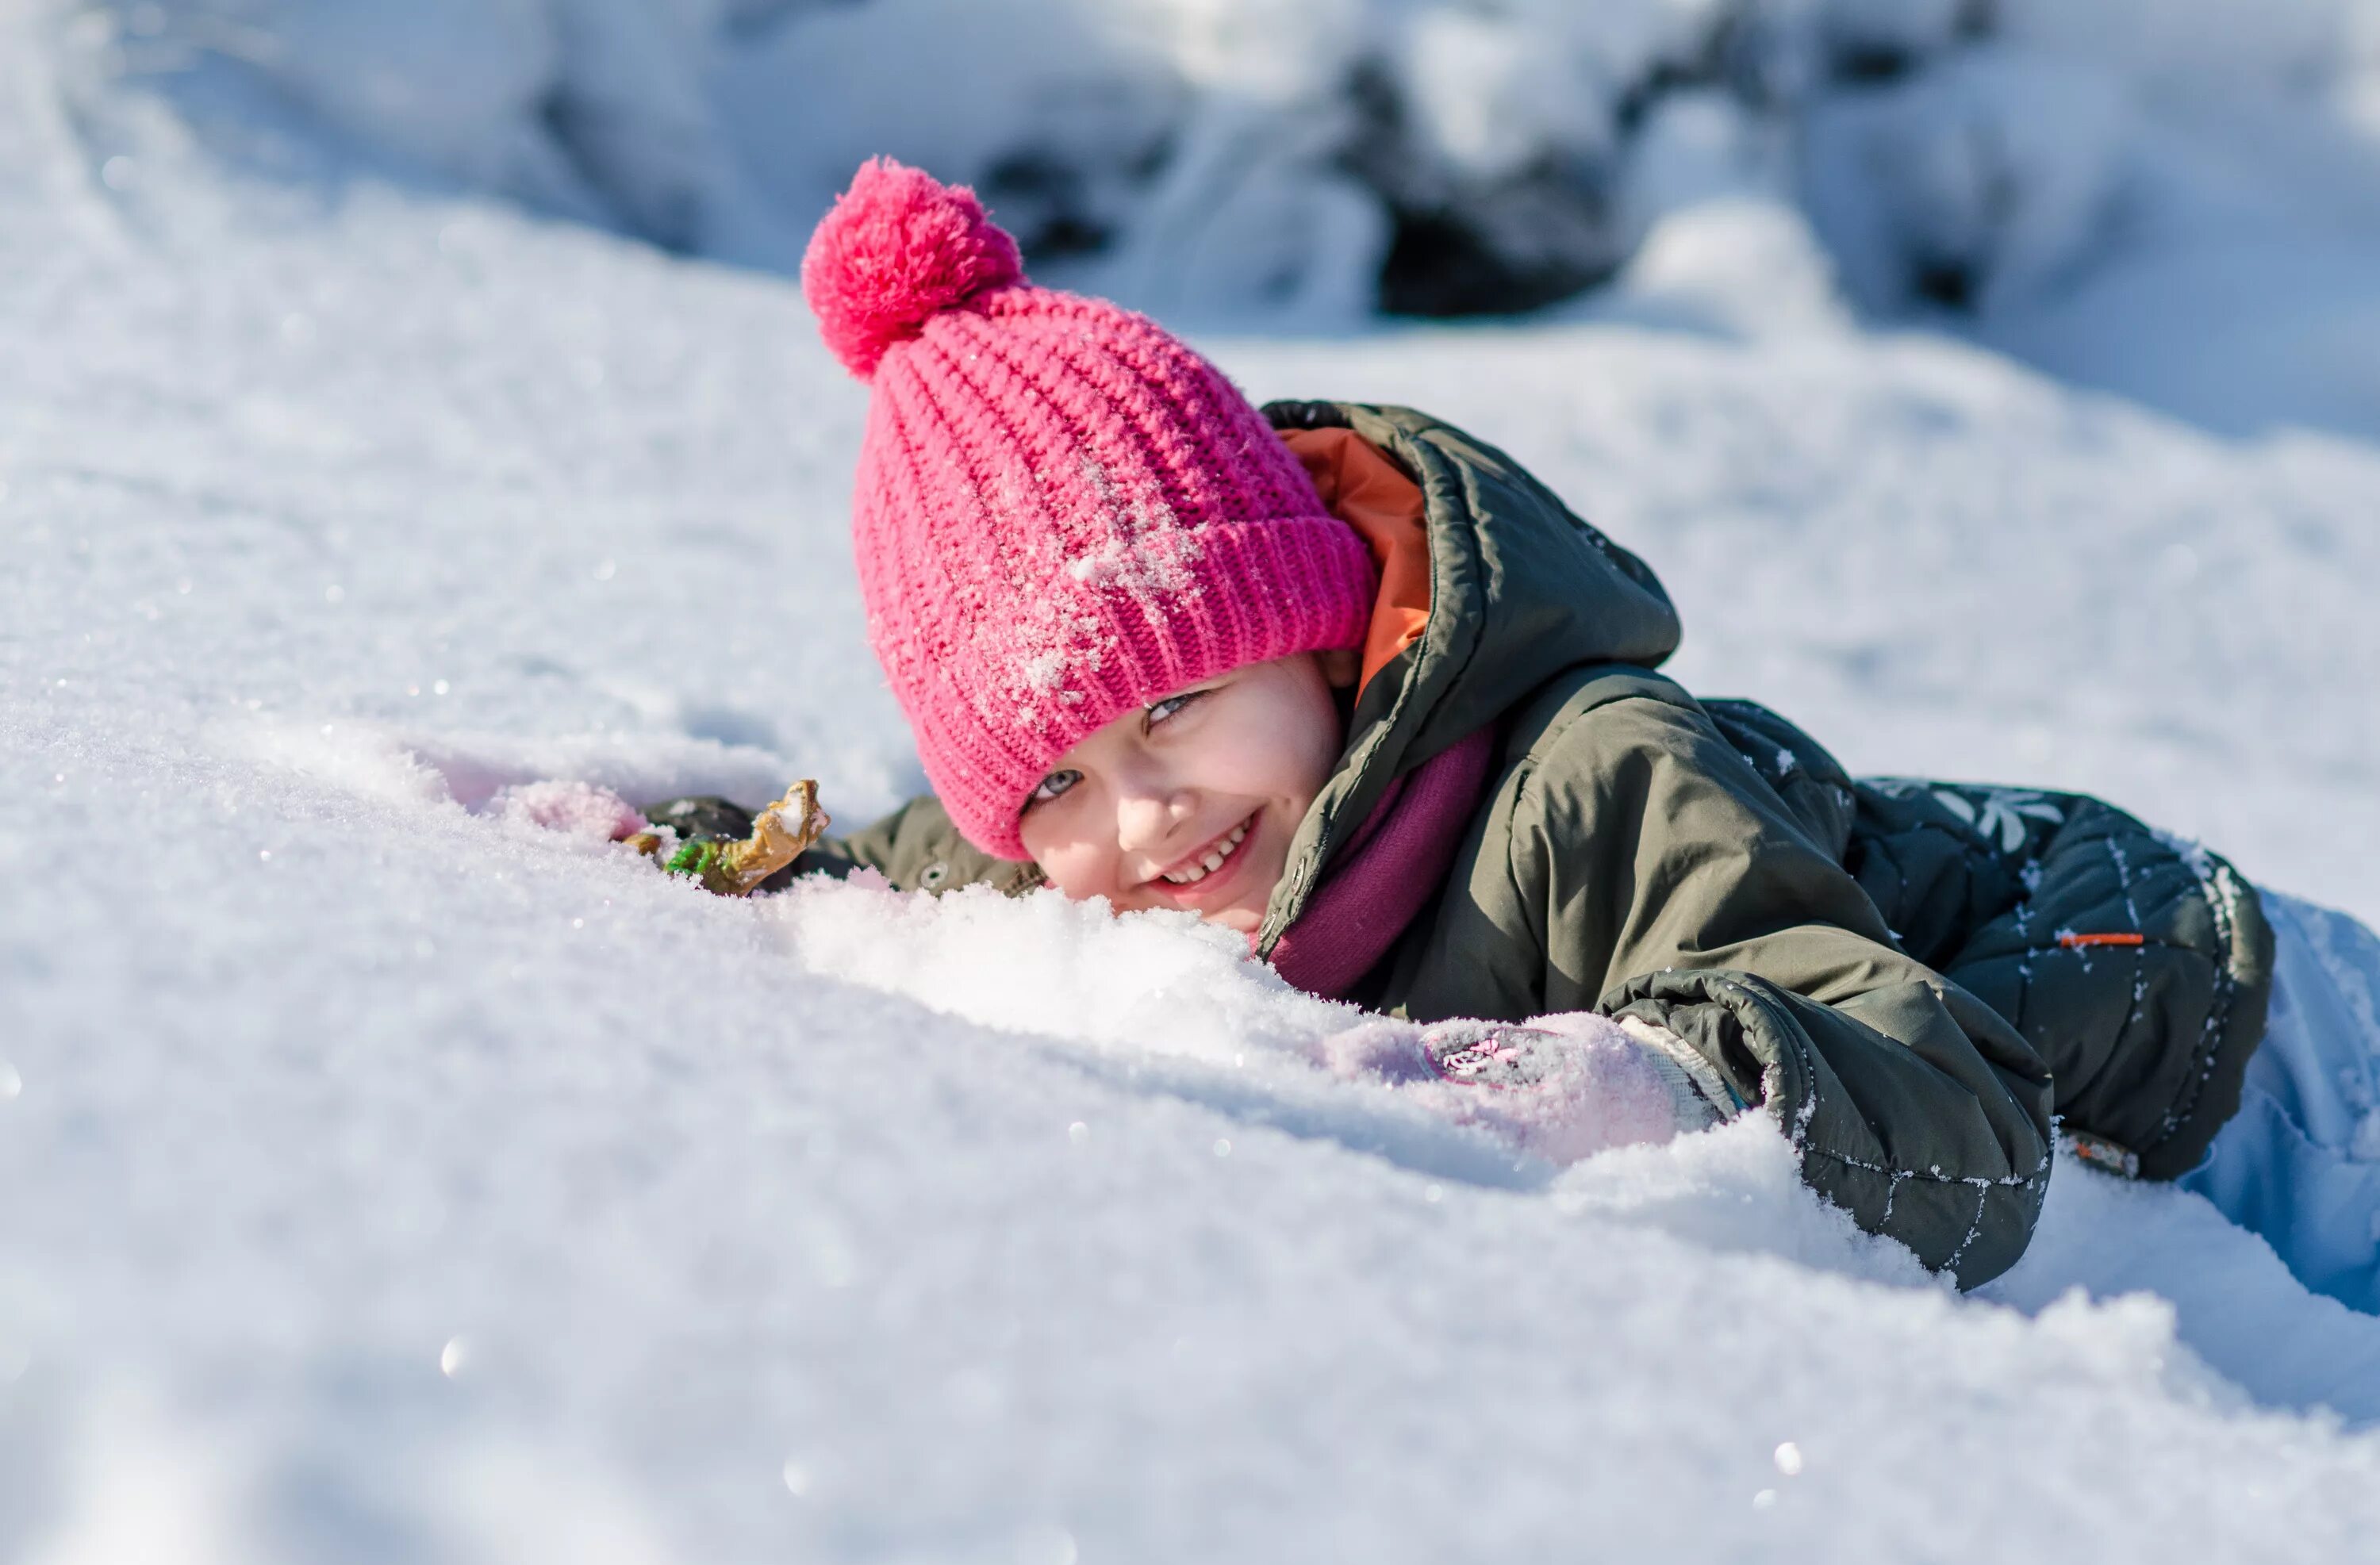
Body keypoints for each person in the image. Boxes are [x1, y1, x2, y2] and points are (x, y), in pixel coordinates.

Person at [651, 157, 2380, 1307]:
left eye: (1179, 702)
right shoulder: (1085, 846)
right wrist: (705, 851)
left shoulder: (1592, 779)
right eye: (1059, 776)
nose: (1144, 810)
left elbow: (1949, 1113)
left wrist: (1641, 1086)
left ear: (1323, 640)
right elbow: (903, 855)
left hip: (2234, 1045)